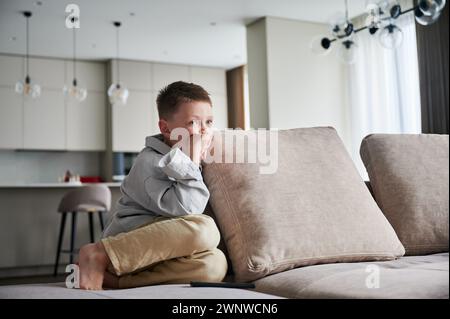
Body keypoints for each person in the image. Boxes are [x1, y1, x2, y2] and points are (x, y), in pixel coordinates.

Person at [77, 81, 227, 290]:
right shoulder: (150, 161)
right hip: (130, 245)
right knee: (206, 229)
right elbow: (186, 210)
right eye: (193, 123)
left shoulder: (189, 153)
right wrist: (191, 162)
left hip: (161, 254)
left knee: (215, 264)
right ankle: (101, 253)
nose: (203, 132)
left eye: (209, 122)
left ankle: (119, 282)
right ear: (165, 128)